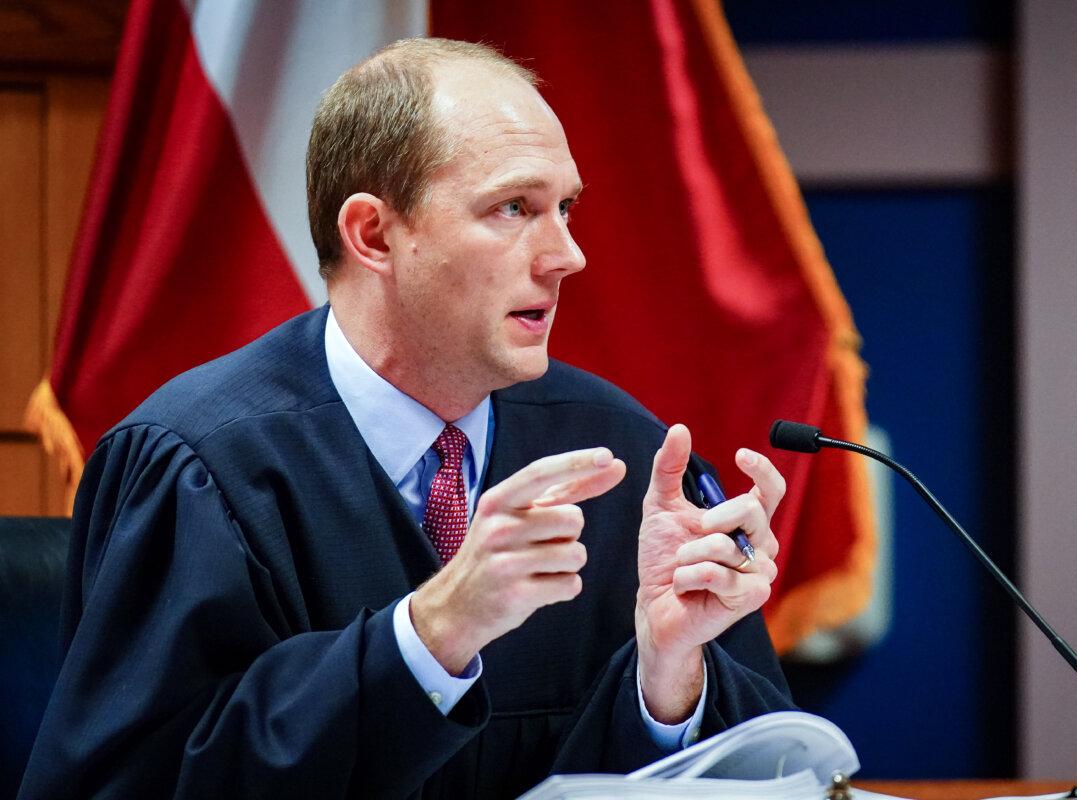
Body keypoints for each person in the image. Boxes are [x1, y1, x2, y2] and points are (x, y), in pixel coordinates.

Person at [20, 38, 795, 799]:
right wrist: (432, 633)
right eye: (515, 207)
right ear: (374, 235)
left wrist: (668, 678)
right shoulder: (199, 466)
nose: (566, 255)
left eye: (565, 208)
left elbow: (782, 778)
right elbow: (133, 782)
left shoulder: (622, 457)